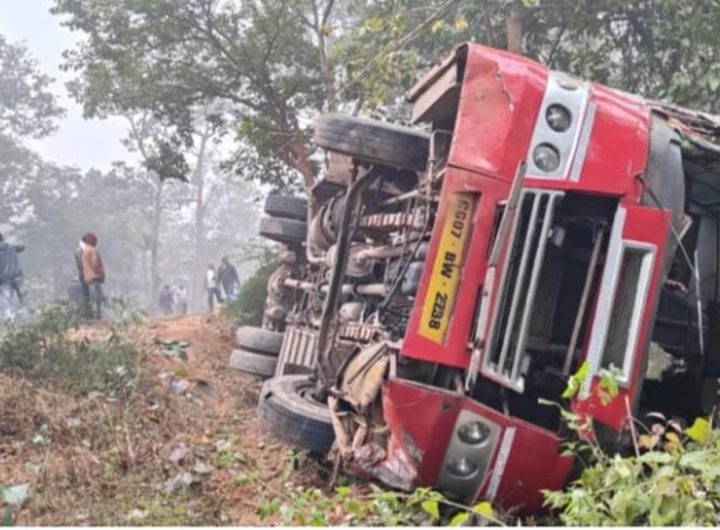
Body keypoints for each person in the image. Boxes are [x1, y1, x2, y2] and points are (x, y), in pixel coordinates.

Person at [0, 233, 25, 324]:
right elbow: (22, 247)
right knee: (23, 298)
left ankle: (10, 319)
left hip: (4, 280)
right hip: (17, 276)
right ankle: (25, 318)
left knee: (7, 301)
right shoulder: (11, 248)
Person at [81, 232, 105, 319]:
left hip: (88, 278)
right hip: (95, 277)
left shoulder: (84, 252)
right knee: (97, 298)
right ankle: (97, 316)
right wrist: (101, 272)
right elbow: (95, 264)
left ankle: (94, 315)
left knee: (92, 298)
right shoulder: (93, 251)